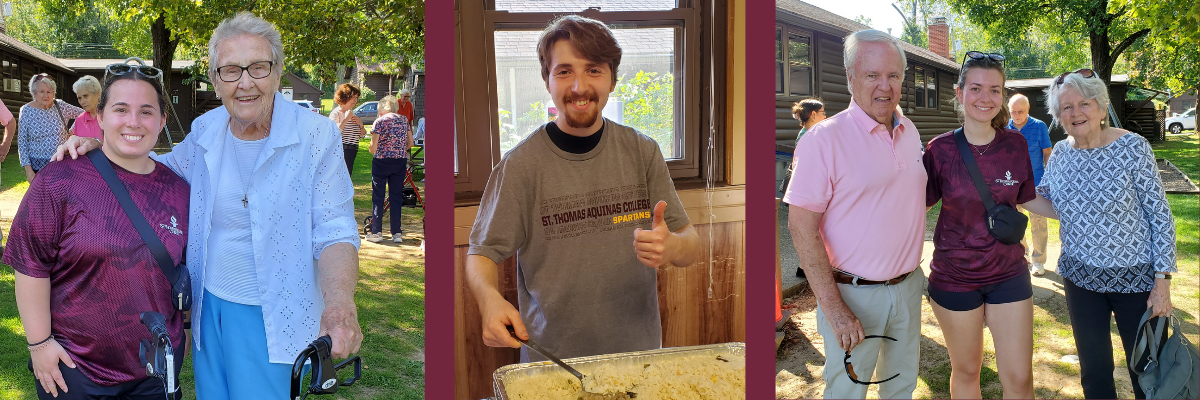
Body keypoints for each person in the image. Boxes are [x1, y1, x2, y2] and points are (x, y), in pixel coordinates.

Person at [54, 12, 363, 399]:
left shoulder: (315, 135)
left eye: (258, 67)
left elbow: (334, 229)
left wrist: (339, 307)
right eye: (231, 70)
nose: (245, 82)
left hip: (274, 312)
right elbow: (155, 169)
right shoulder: (207, 129)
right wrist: (107, 147)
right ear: (216, 80)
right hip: (209, 308)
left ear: (278, 72)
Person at [465, 15, 701, 362]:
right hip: (553, 362)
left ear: (612, 79)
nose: (578, 87)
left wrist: (673, 247)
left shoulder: (642, 151)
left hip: (638, 355)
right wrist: (489, 300)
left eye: (593, 70)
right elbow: (481, 253)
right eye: (564, 72)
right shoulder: (519, 166)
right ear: (547, 80)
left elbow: (691, 246)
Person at [8, 62, 189, 399]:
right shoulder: (59, 179)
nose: (133, 121)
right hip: (74, 370)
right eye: (121, 109)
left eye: (146, 111)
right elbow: (30, 264)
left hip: (155, 371)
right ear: (100, 116)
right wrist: (39, 343)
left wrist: (185, 335)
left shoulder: (180, 191)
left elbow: (184, 272)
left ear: (162, 121)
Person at [783, 30, 925, 399]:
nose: (885, 86)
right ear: (850, 77)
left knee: (900, 388)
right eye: (872, 75)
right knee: (848, 392)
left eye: (893, 76)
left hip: (908, 286)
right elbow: (801, 229)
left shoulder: (909, 130)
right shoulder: (823, 140)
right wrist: (835, 308)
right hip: (853, 296)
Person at [922, 51, 1058, 399]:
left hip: (1007, 273)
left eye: (995, 90)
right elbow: (915, 206)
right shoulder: (939, 150)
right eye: (976, 88)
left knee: (1019, 378)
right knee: (967, 372)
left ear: (1003, 95)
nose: (986, 98)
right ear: (960, 92)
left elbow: (1028, 197)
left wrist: (1082, 213)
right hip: (955, 276)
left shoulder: (1016, 144)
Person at [1038, 68, 1176, 399]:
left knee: (1149, 370)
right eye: (1066, 108)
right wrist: (1007, 191)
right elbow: (1049, 202)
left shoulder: (1133, 148)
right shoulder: (1060, 154)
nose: (1075, 113)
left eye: (1083, 103)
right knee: (1095, 372)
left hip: (1138, 282)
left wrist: (1162, 284)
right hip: (1080, 281)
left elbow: (1160, 216)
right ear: (1059, 116)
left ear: (1101, 106)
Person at [1007, 93, 1052, 276]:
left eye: (1020, 111)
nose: (1016, 115)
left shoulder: (1039, 126)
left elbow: (1047, 153)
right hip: (1011, 184)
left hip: (1036, 183)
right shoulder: (1003, 127)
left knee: (1038, 221)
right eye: (1013, 112)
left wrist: (1049, 179)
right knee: (1015, 222)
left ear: (1028, 109)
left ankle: (1038, 260)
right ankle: (1022, 254)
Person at [20, 73, 83, 181]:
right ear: (34, 93)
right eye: (42, 92)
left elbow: (83, 114)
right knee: (41, 197)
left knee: (62, 196)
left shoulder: (61, 106)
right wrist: (29, 171)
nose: (46, 95)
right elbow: (22, 143)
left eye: (49, 91)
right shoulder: (26, 111)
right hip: (37, 168)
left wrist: (72, 131)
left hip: (62, 163)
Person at [366, 95, 411, 243]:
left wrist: (372, 149)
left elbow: (373, 147)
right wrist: (398, 149)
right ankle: (396, 233)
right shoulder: (404, 120)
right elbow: (410, 143)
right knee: (396, 197)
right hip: (399, 161)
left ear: (383, 108)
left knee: (378, 196)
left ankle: (377, 232)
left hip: (381, 161)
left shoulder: (380, 121)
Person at [329, 83, 364, 174]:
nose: (355, 100)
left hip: (352, 151)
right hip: (340, 151)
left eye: (357, 98)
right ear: (346, 96)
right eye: (354, 97)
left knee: (347, 177)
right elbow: (335, 132)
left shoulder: (352, 113)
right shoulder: (336, 113)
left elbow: (362, 136)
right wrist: (346, 118)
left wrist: (361, 124)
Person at [69, 75, 104, 142]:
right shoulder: (79, 120)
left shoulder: (109, 116)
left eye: (85, 96)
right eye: (79, 98)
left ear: (97, 94)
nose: (82, 102)